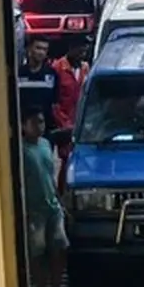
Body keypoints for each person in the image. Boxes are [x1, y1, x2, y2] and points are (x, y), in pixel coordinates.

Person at [20, 107, 81, 287]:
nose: (39, 126)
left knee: (59, 249)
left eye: (41, 122)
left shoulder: (46, 145)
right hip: (33, 211)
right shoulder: (20, 150)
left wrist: (60, 202)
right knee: (38, 255)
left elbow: (49, 176)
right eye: (34, 122)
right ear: (23, 125)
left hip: (52, 207)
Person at [50, 36, 91, 191]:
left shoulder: (85, 68)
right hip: (63, 123)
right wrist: (64, 123)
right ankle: (62, 192)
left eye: (84, 52)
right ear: (71, 48)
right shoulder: (57, 68)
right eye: (80, 51)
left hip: (81, 122)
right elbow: (55, 101)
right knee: (67, 159)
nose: (82, 54)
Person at [17, 36, 59, 129]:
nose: (41, 52)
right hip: (22, 127)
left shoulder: (52, 74)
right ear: (29, 49)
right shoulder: (18, 73)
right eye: (38, 48)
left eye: (45, 49)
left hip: (45, 127)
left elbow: (55, 103)